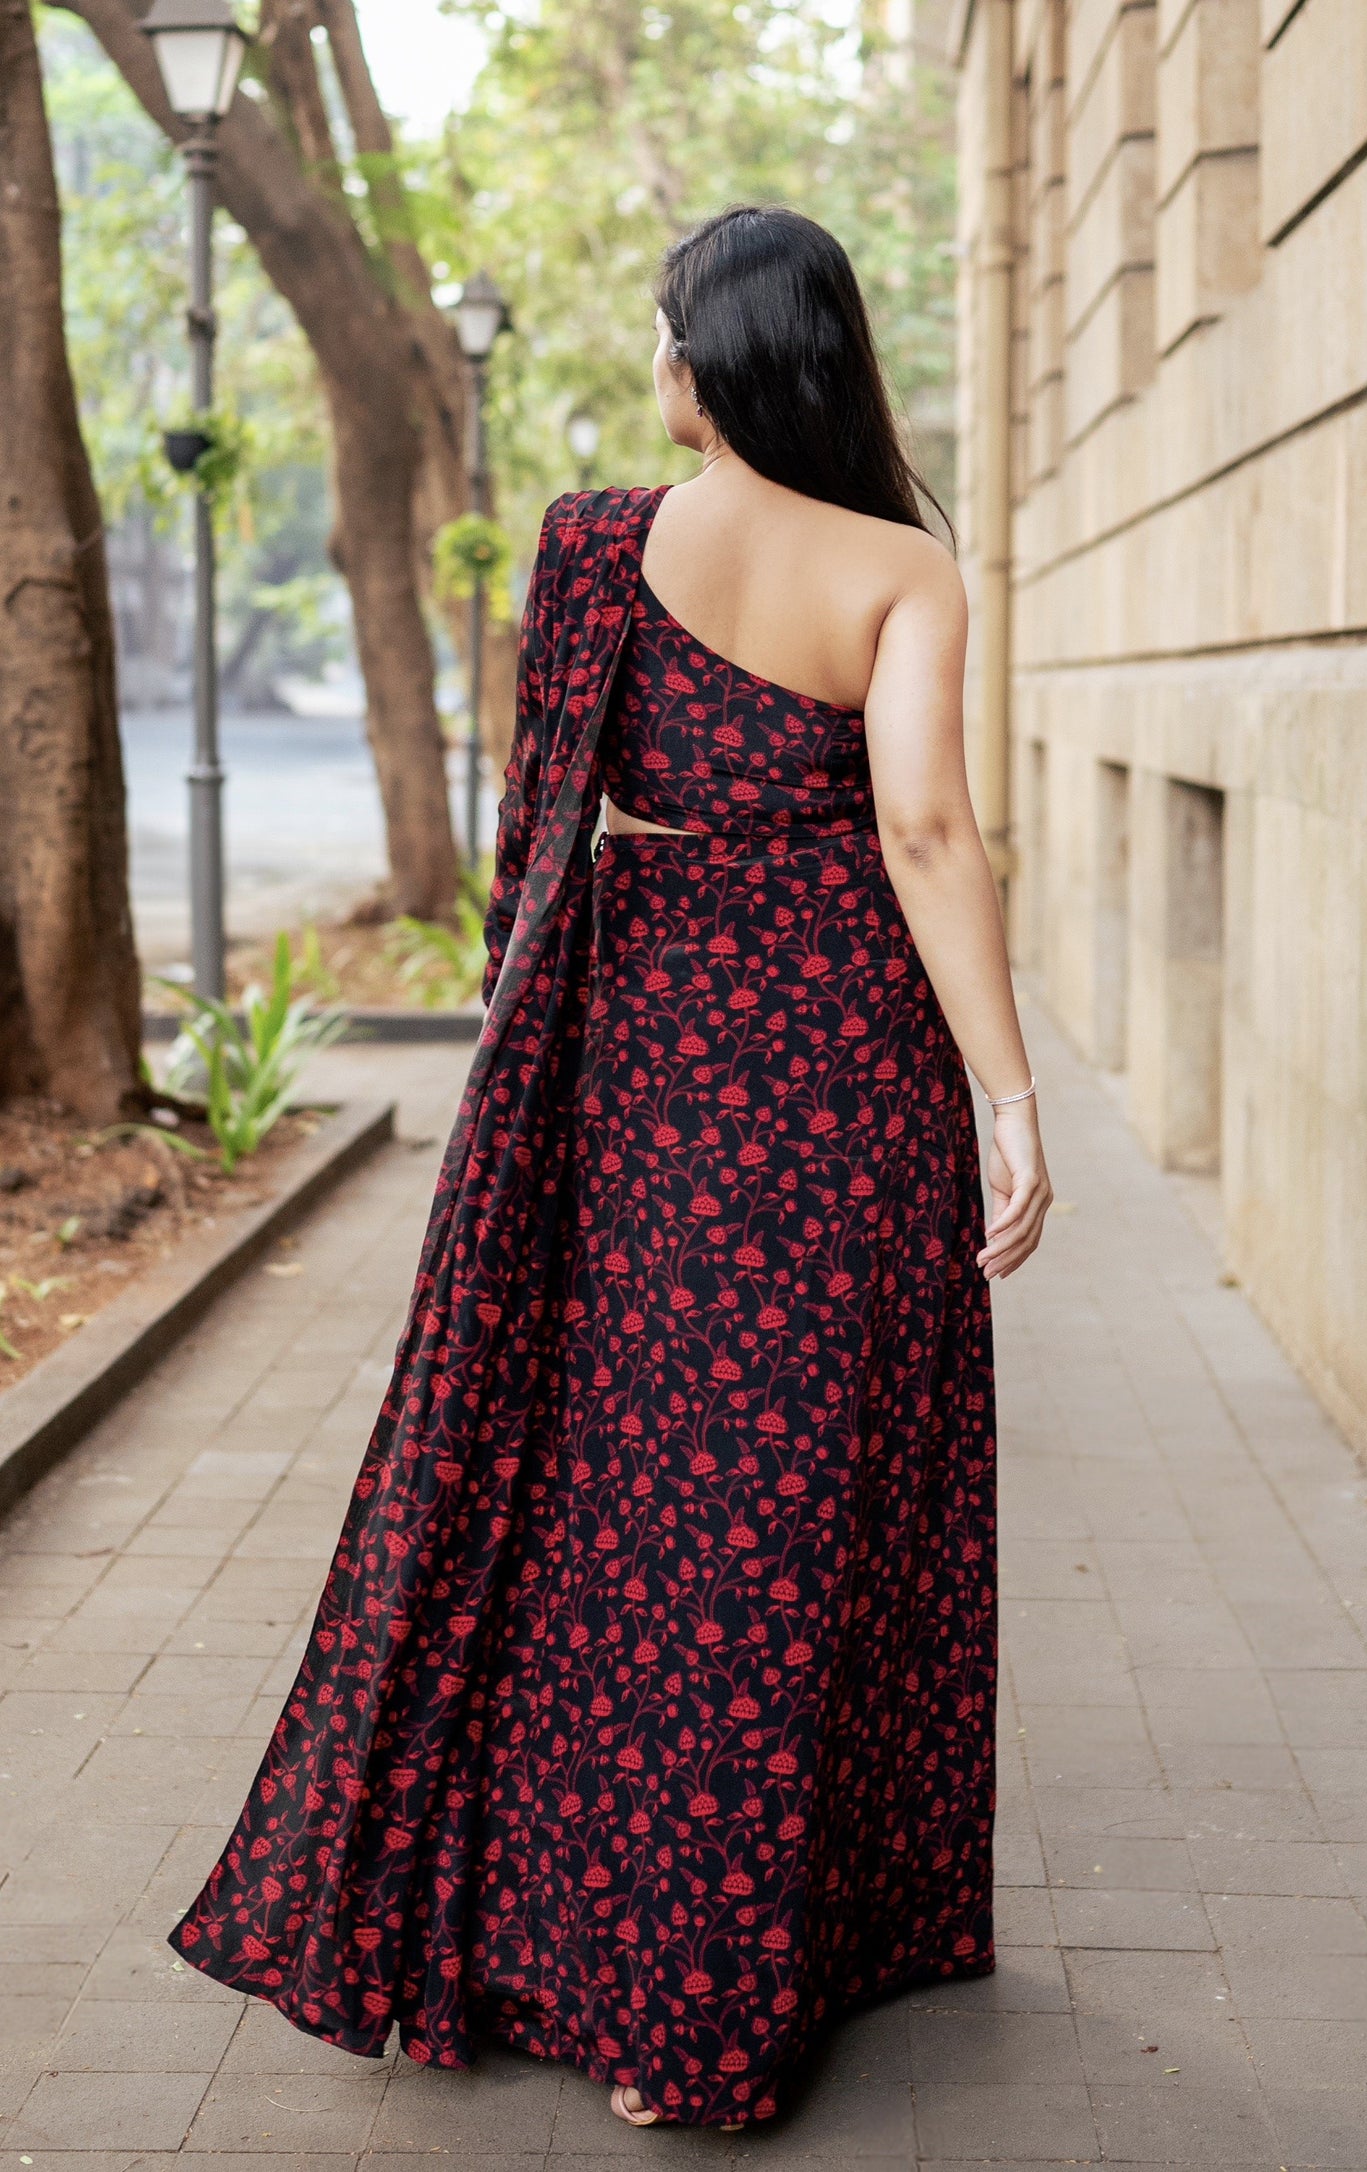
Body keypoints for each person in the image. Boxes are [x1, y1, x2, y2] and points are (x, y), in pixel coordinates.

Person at [167, 204, 1052, 2133]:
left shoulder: (589, 548)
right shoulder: (903, 565)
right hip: (844, 1098)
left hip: (639, 1089)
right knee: (807, 1505)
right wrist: (1005, 1090)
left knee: (637, 1498)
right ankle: (762, 1963)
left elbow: (557, 823)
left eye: (668, 331)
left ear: (709, 361)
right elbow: (921, 830)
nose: (656, 363)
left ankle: (595, 1958)